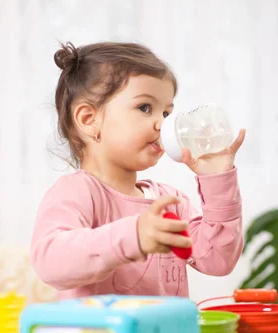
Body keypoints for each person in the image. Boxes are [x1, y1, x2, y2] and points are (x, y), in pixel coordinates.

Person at [31, 41, 245, 299]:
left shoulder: (169, 203)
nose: (162, 125)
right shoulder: (76, 192)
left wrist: (217, 179)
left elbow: (218, 259)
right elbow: (50, 261)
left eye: (166, 113)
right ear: (89, 120)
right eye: (145, 108)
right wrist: (133, 236)